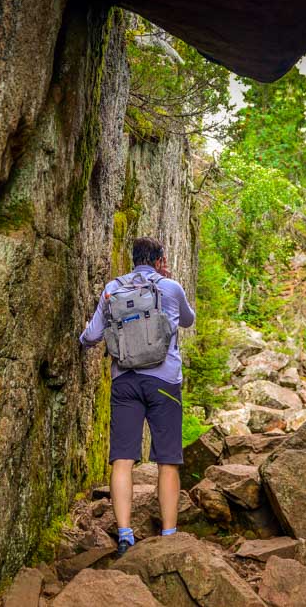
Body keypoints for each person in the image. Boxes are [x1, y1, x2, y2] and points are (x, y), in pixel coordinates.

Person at [80, 236, 195, 557]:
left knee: (123, 459)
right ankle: (169, 536)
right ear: (160, 260)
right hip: (164, 382)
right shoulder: (171, 288)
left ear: (134, 259)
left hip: (125, 381)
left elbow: (90, 336)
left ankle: (125, 535)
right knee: (168, 460)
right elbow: (188, 320)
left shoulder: (112, 289)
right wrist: (167, 280)